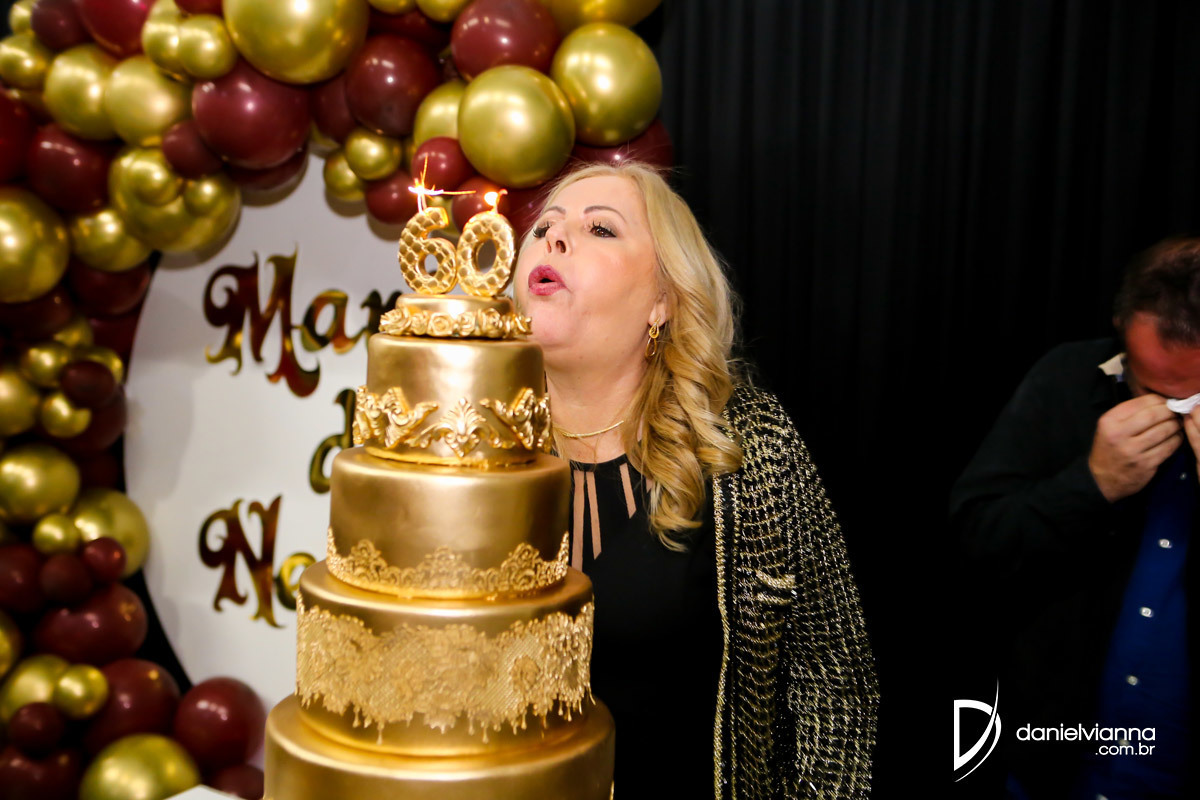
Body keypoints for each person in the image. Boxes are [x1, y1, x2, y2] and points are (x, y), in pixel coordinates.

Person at [512, 161, 879, 799]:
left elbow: (833, 677)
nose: (554, 238)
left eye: (601, 229)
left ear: (664, 299)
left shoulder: (747, 445)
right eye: (544, 228)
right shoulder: (464, 444)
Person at [951, 238, 1200, 799]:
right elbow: (975, 542)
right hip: (1056, 762)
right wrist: (1093, 484)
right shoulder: (1067, 377)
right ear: (1121, 329)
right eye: (1156, 391)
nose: (1180, 412)